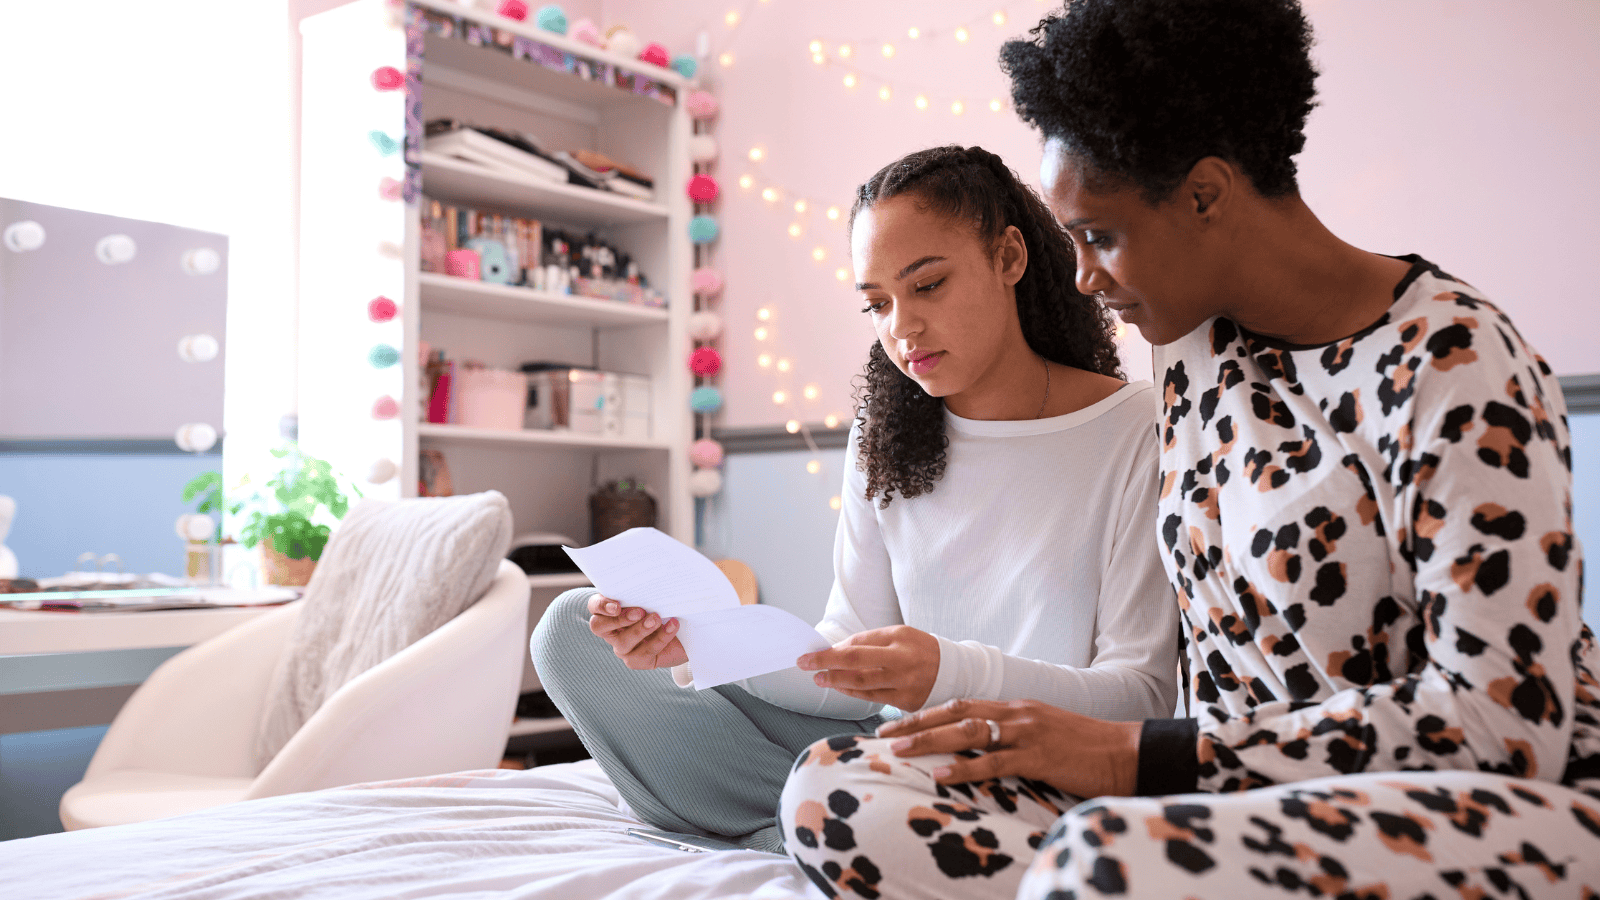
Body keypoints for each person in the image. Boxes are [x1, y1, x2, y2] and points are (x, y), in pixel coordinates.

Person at [777, 1, 1600, 897]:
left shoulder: (1456, 360)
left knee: (1102, 866)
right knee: (837, 791)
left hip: (1471, 808)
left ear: (1205, 194)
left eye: (1098, 236)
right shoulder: (1194, 353)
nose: (1083, 277)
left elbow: (1505, 724)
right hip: (1218, 794)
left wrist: (1139, 756)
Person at [531, 144, 1180, 856]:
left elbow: (1139, 697)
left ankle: (807, 817)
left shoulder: (1135, 429)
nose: (902, 327)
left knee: (839, 777)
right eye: (877, 303)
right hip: (886, 748)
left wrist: (948, 672)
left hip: (1023, 768)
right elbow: (848, 661)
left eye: (927, 285)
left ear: (1010, 258)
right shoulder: (887, 432)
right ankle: (811, 822)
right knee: (570, 633)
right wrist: (699, 644)